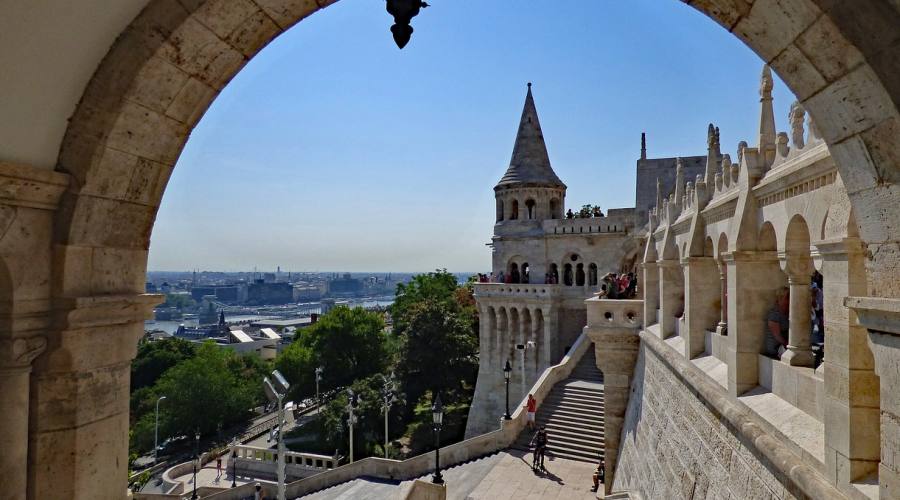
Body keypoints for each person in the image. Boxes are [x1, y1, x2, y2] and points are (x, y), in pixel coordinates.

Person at [764, 286, 790, 358]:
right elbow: (777, 336)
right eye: (787, 297)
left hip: (784, 345)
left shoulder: (788, 313)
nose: (790, 300)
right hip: (776, 347)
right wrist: (788, 345)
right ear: (780, 298)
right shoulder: (774, 314)